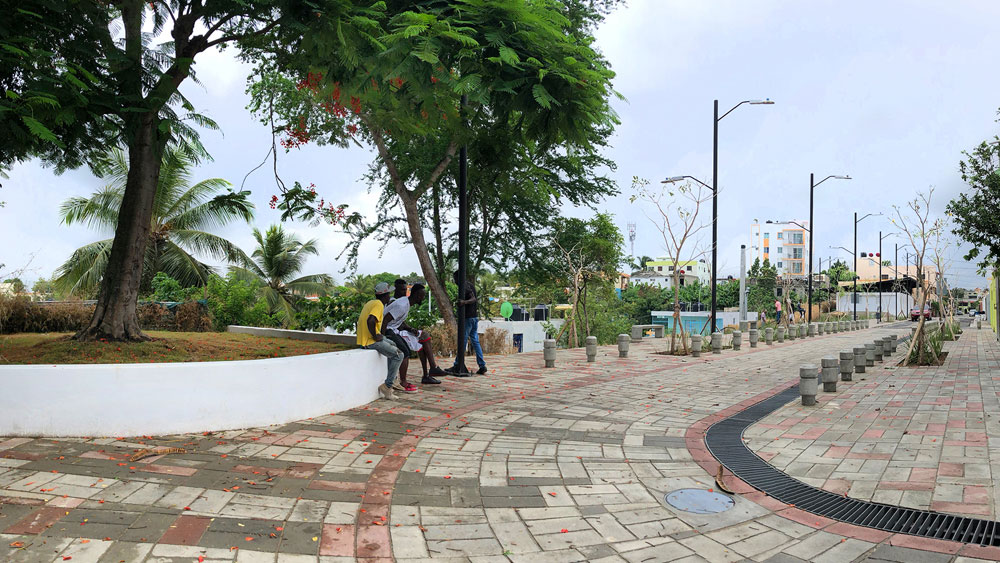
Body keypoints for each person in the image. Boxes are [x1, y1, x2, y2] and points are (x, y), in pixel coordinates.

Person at [384, 283, 447, 388]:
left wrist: (411, 329)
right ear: (418, 295)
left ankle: (430, 371)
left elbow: (398, 321)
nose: (423, 298)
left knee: (423, 339)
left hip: (394, 330)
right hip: (389, 331)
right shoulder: (401, 305)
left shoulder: (406, 303)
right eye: (423, 295)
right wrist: (382, 337)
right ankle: (405, 381)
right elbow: (385, 320)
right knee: (405, 351)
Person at [356, 282, 402, 400]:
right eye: (388, 294)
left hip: (366, 339)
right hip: (370, 341)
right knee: (399, 355)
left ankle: (392, 379)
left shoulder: (371, 302)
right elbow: (371, 320)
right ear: (385, 295)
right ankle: (387, 386)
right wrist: (375, 336)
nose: (389, 296)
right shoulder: (379, 304)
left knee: (393, 344)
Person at [448, 270, 487, 375]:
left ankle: (457, 364)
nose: (455, 281)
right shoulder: (469, 285)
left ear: (459, 278)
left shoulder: (464, 285)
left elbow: (473, 299)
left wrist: (463, 302)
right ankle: (482, 365)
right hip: (474, 317)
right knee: (475, 341)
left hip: (468, 318)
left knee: (463, 341)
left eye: (455, 278)